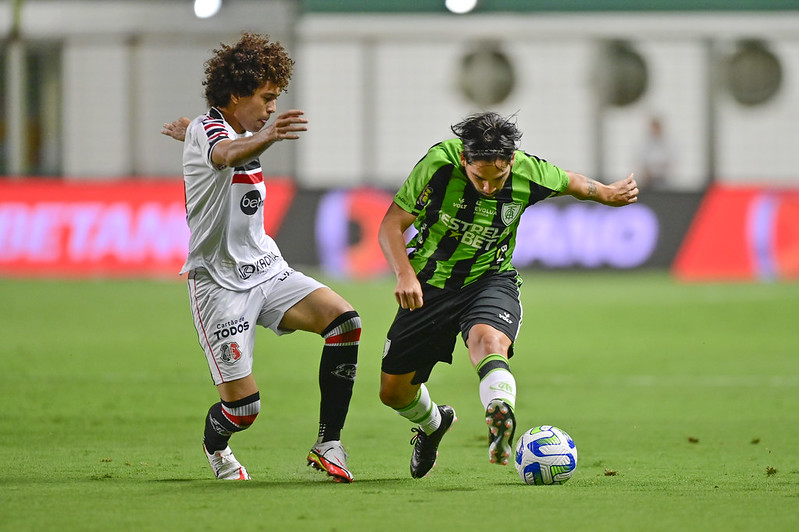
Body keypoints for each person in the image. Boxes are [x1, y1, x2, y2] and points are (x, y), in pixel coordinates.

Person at [377, 111, 638, 478]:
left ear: (511, 161)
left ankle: (500, 409)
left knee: (487, 340)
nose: (488, 187)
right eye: (479, 177)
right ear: (464, 160)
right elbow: (391, 224)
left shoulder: (528, 172)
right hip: (428, 285)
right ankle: (435, 424)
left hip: (489, 278)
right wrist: (404, 273)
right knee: (394, 393)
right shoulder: (438, 165)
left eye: (498, 177)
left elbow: (574, 183)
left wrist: (607, 194)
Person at [160, 33, 359, 483]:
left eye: (275, 100)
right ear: (235, 96)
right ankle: (216, 446)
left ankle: (329, 442)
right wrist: (266, 135)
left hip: (266, 270)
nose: (271, 108)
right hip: (219, 284)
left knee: (344, 321)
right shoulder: (214, 132)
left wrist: (202, 132)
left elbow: (221, 139)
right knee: (244, 410)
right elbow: (223, 150)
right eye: (266, 99)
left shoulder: (218, 128)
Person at [637, 116, 675, 190]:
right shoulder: (645, 144)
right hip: (648, 180)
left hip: (662, 178)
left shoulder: (667, 144)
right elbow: (641, 160)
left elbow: (670, 160)